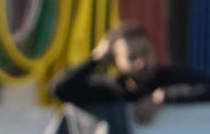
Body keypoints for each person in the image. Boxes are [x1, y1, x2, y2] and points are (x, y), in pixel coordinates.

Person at [50, 20, 210, 124]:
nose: (141, 62)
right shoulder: (108, 90)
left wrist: (163, 96)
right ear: (116, 61)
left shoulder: (171, 78)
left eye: (145, 52)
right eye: (131, 57)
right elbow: (59, 89)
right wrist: (96, 59)